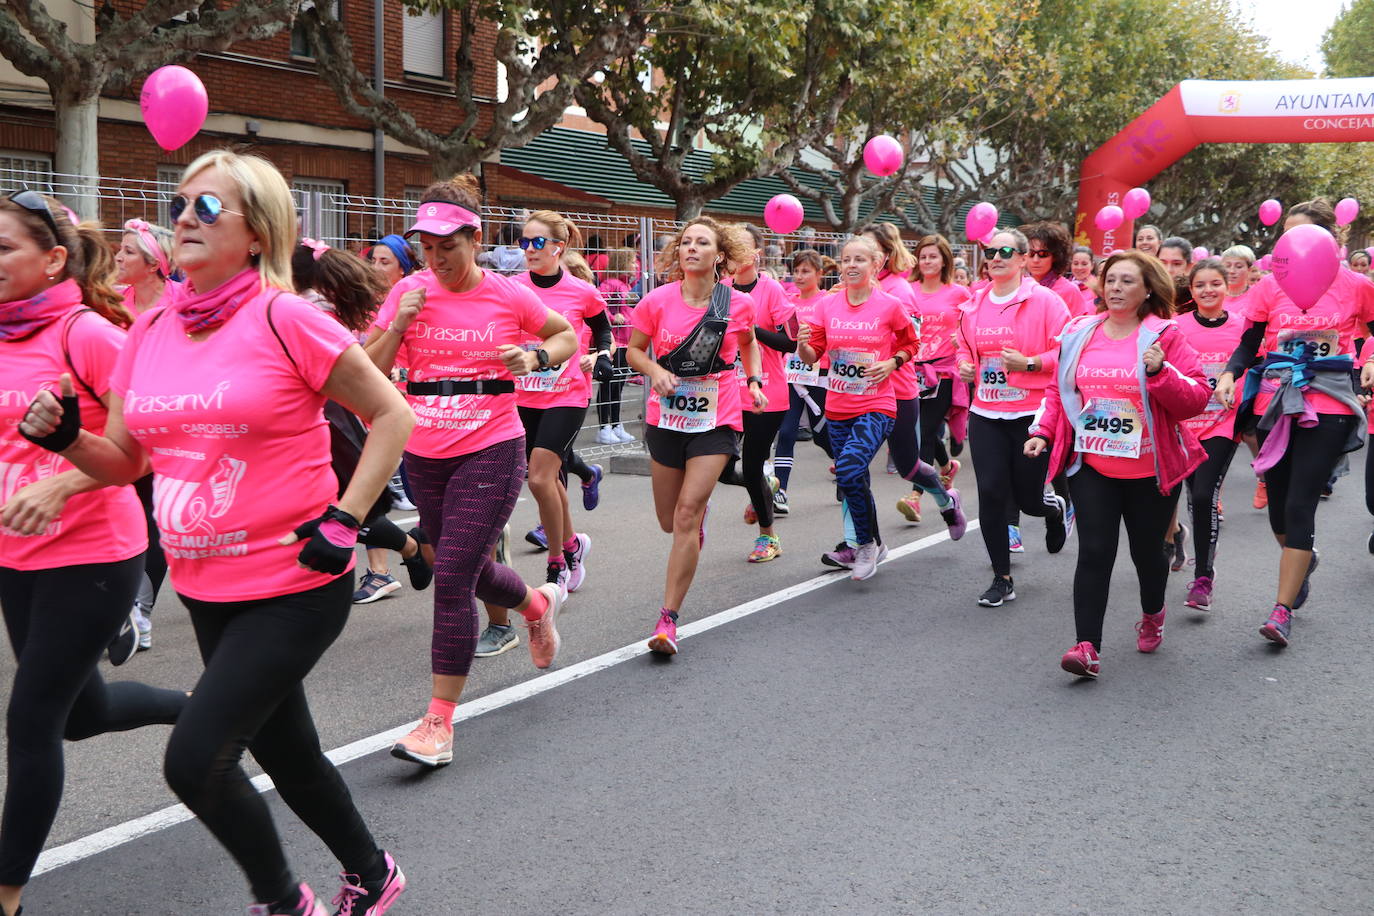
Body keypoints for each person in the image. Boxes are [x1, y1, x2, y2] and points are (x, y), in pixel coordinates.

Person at [22, 152, 413, 915]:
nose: (184, 220)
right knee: (285, 748)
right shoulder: (151, 327)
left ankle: (280, 900)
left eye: (208, 209)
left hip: (296, 577)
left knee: (196, 760)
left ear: (258, 233)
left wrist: (345, 520)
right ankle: (373, 872)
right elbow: (129, 456)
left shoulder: (286, 316)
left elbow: (392, 414)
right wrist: (70, 439)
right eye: (179, 205)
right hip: (205, 580)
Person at [0, 191, 188, 916]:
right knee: (83, 712)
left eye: (4, 248)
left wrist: (61, 486)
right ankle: (204, 711)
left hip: (93, 552)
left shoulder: (88, 335)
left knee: (32, 720)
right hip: (16, 554)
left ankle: (7, 891)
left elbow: (138, 453)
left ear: (52, 260)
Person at [364, 178, 578, 763]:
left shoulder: (508, 294)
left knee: (452, 576)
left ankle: (438, 724)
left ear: (475, 239)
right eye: (426, 249)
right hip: (424, 452)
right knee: (462, 566)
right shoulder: (408, 291)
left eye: (447, 249)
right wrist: (400, 325)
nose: (435, 261)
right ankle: (537, 606)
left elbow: (565, 336)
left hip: (492, 445)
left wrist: (535, 356)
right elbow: (372, 372)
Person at [1026, 250, 1209, 679]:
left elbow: (1196, 398)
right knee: (1093, 552)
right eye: (1110, 280)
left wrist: (1162, 372)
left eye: (1128, 281)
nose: (1116, 288)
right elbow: (1058, 392)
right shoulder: (1080, 332)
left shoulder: (1164, 335)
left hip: (1149, 468)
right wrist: (1042, 432)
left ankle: (1152, 613)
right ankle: (1087, 646)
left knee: (1147, 555)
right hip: (1093, 465)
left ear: (1148, 290)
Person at [1215, 198, 1374, 647]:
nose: (1288, 246)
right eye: (1283, 236)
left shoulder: (1356, 285)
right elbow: (1249, 341)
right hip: (1274, 402)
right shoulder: (1269, 287)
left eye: (1298, 235)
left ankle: (1281, 609)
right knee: (1281, 508)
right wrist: (1230, 374)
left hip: (1329, 404)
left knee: (1302, 501)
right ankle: (1301, 558)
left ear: (1325, 240)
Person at [625, 217, 766, 655]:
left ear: (718, 255)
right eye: (685, 242)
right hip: (665, 418)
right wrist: (655, 371)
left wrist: (755, 381)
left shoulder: (737, 304)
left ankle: (668, 619)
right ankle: (694, 521)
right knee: (669, 521)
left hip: (717, 416)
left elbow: (748, 343)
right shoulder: (656, 300)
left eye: (701, 242)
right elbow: (633, 350)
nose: (690, 248)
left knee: (685, 514)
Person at [797, 235, 965, 581]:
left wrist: (892, 363)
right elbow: (813, 354)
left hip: (880, 402)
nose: (851, 266)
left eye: (860, 259)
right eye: (846, 260)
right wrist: (803, 347)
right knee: (851, 474)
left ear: (877, 264)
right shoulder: (828, 305)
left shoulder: (891, 303)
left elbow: (912, 341)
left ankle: (867, 543)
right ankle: (865, 542)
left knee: (860, 468)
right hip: (839, 402)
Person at [293, 239, 434, 605]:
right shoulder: (301, 308)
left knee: (353, 511)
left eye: (385, 261)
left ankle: (404, 554)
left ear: (403, 268)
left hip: (364, 414)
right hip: (329, 416)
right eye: (372, 259)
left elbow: (370, 366)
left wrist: (398, 331)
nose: (375, 267)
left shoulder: (315, 314)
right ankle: (397, 557)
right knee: (349, 511)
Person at [956, 229, 1071, 607]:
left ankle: (1053, 510)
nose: (996, 256)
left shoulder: (1047, 302)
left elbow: (1069, 353)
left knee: (1028, 501)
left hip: (1031, 411)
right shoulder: (974, 304)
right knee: (991, 493)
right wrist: (966, 367)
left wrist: (1031, 363)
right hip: (986, 410)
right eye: (990, 251)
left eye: (1006, 250)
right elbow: (963, 351)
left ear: (1023, 258)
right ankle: (1001, 578)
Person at [512, 210, 612, 598]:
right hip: (523, 394)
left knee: (539, 476)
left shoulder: (580, 291)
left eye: (538, 242)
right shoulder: (512, 287)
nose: (530, 250)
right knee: (549, 480)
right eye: (524, 242)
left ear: (559, 247)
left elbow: (603, 328)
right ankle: (573, 544)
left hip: (568, 392)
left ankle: (557, 563)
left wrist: (601, 354)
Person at [113, 217, 181, 650]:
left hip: (170, 423)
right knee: (122, 514)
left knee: (155, 519)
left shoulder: (182, 300)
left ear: (154, 264)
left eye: (128, 252)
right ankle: (122, 609)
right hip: (121, 420)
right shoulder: (110, 303)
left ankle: (140, 612)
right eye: (119, 251)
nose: (117, 257)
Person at [1172, 259, 1247, 614]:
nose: (1208, 290)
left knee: (1204, 495)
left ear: (1226, 286)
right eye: (1200, 285)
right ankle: (1179, 537)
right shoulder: (1177, 326)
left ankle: (1203, 578)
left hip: (1222, 423)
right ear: (1192, 290)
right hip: (1182, 424)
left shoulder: (1243, 326)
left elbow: (1253, 366)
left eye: (1215, 283)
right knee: (1188, 494)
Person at [717, 223, 795, 563]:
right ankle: (766, 484)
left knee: (750, 466)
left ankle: (768, 536)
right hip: (725, 393)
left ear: (755, 254)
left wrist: (751, 330)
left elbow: (790, 341)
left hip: (767, 391)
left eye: (740, 246)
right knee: (721, 469)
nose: (733, 252)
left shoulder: (772, 290)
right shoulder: (719, 288)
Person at [901, 234, 971, 522]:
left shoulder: (959, 294)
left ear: (944, 260)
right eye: (923, 255)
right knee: (918, 427)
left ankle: (915, 497)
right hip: (911, 370)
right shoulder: (907, 290)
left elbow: (970, 327)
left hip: (943, 371)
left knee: (927, 430)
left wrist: (960, 340)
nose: (927, 261)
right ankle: (946, 466)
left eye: (933, 256)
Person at [773, 249, 835, 510]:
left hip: (820, 376)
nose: (799, 276)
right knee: (786, 432)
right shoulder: (788, 301)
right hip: (792, 376)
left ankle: (846, 470)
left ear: (819, 274)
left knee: (822, 436)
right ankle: (780, 490)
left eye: (805, 271)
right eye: (796, 271)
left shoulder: (829, 300)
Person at [596, 247, 639, 443]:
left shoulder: (627, 285)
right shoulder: (610, 284)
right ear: (622, 263)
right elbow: (598, 306)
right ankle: (604, 427)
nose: (635, 265)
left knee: (619, 385)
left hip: (626, 341)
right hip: (615, 341)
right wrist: (613, 317)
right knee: (609, 384)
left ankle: (615, 423)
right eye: (631, 261)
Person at [1023, 220, 1083, 315]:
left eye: (1043, 254)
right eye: (1031, 253)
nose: (1036, 260)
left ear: (1055, 256)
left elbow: (1077, 327)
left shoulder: (1070, 291)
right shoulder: (1018, 286)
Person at [1069, 245, 1098, 314]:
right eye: (1075, 263)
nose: (1079, 268)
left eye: (1084, 264)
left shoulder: (1098, 288)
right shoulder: (1064, 285)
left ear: (1092, 265)